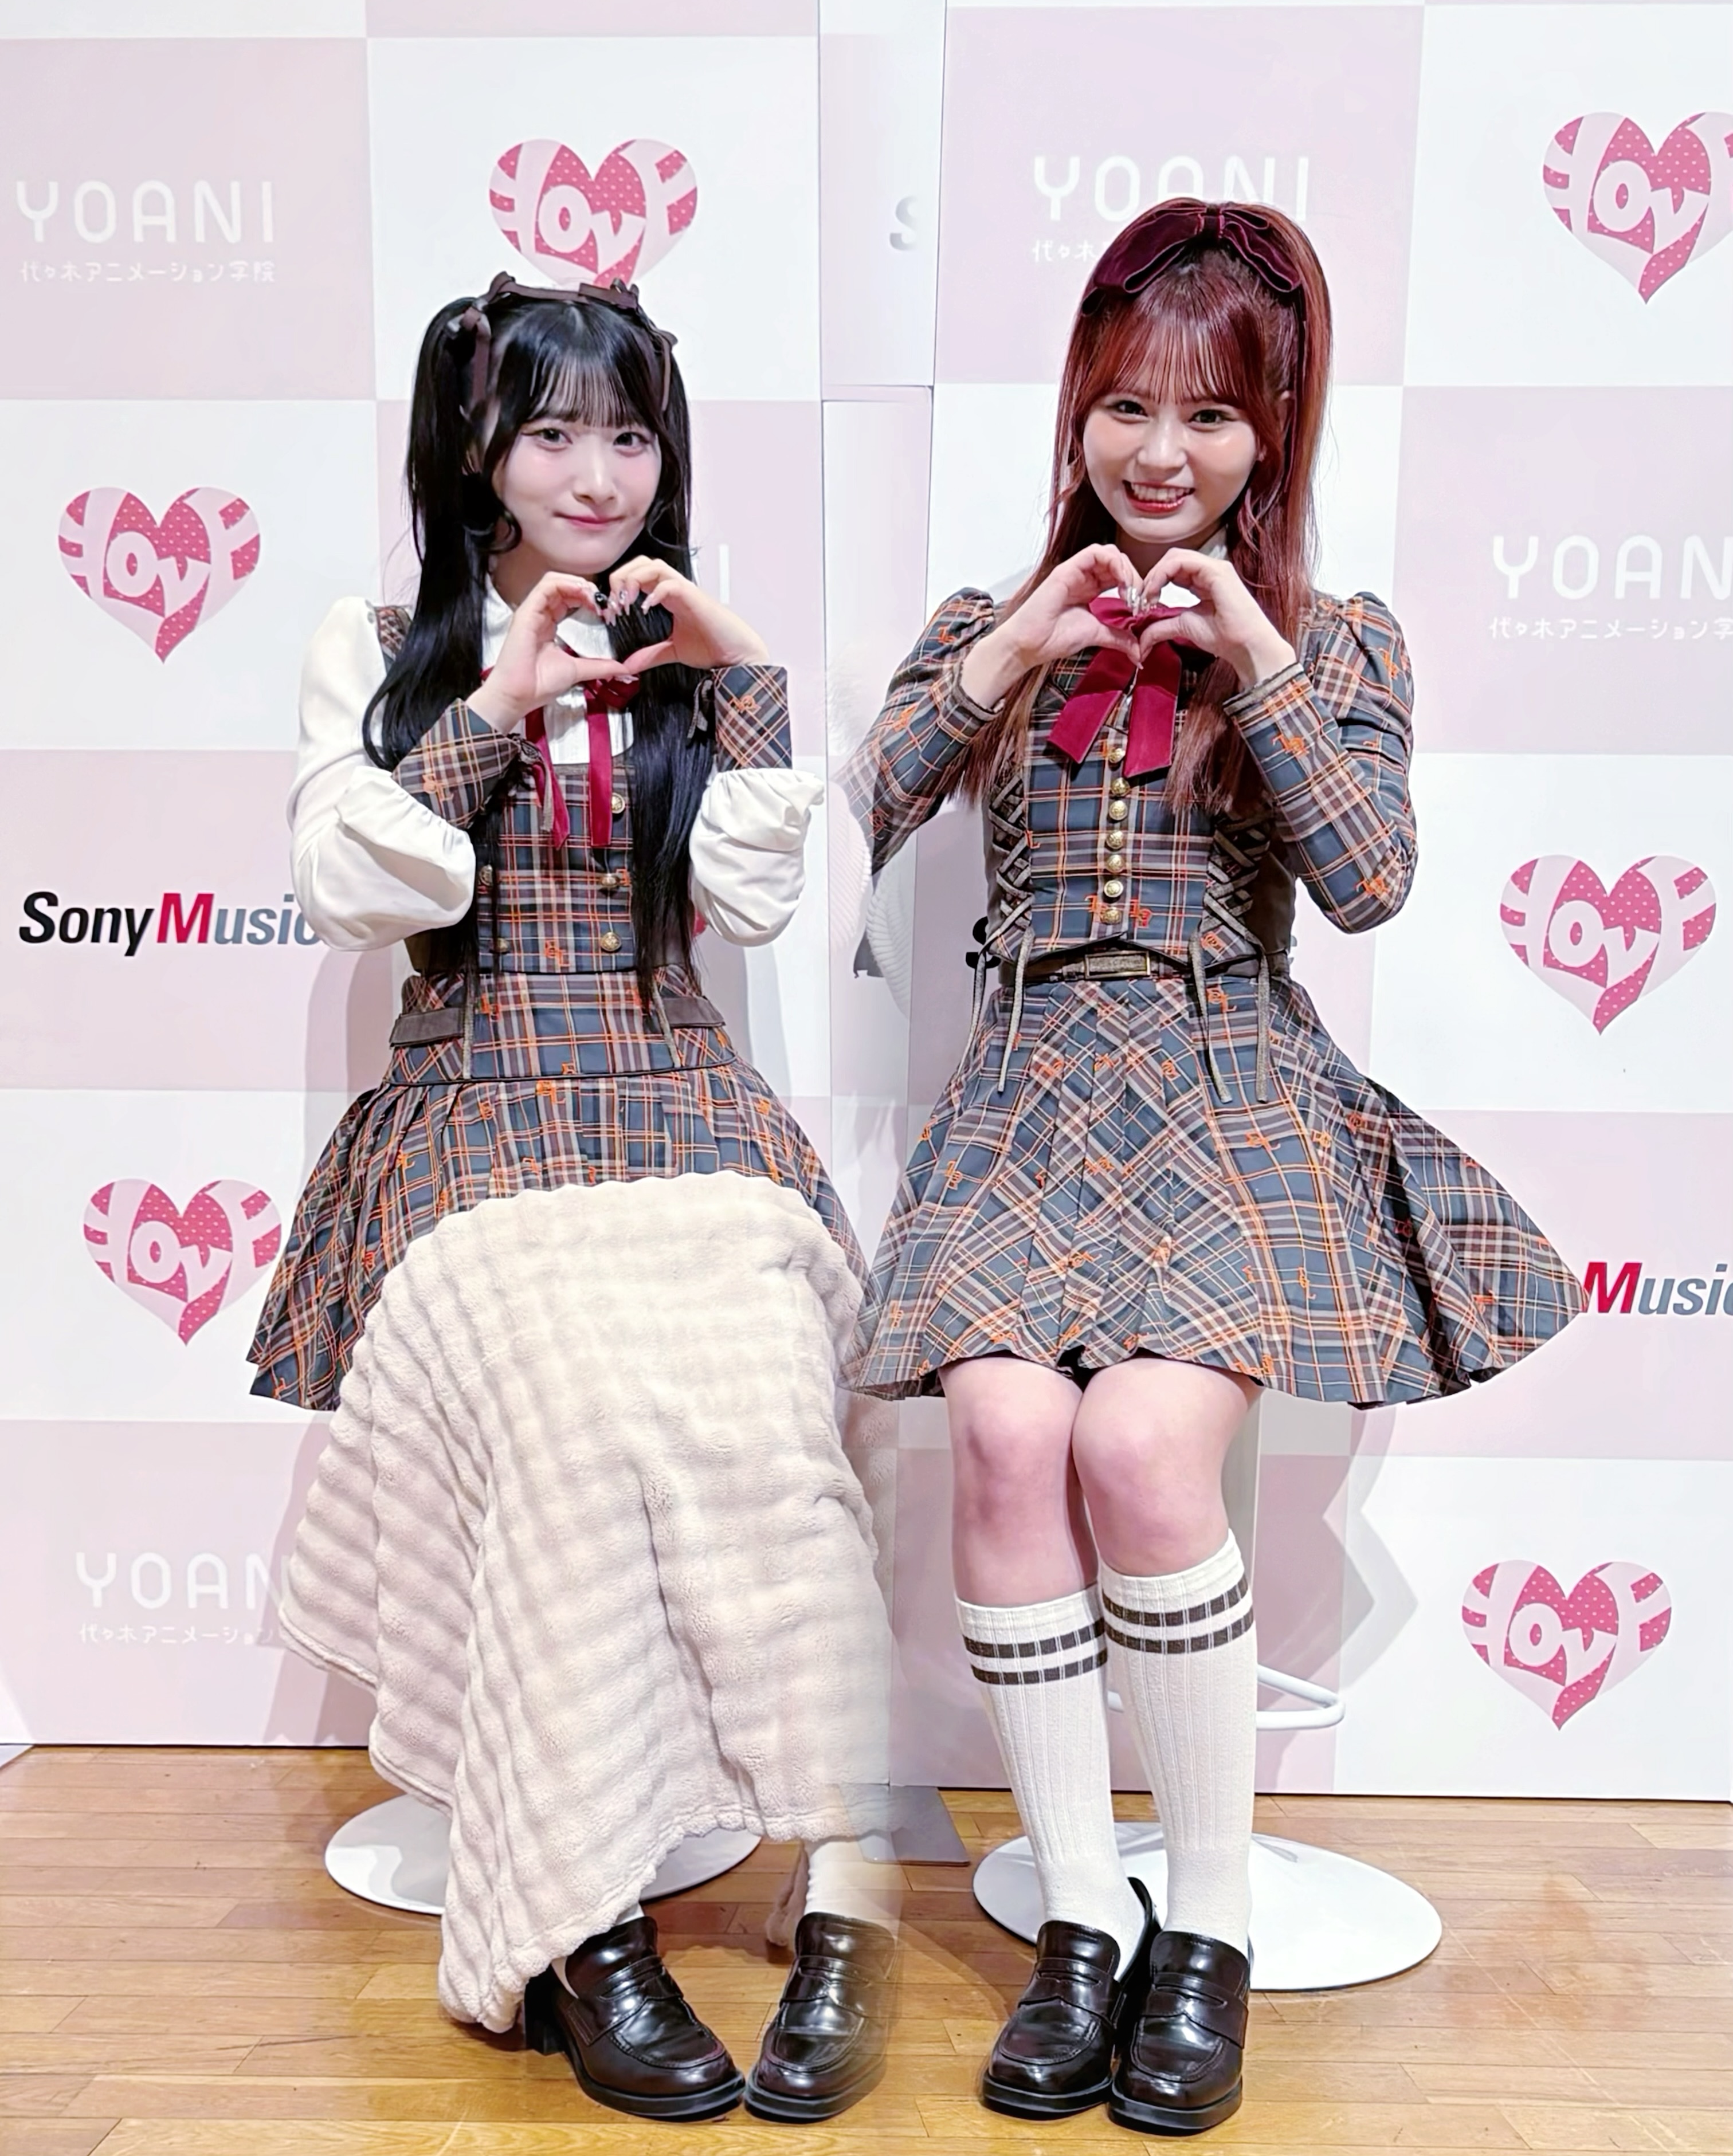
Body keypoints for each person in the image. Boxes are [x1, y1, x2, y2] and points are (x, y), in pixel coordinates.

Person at [842, 202, 1582, 2135]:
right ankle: (1087, 1924)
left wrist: (1252, 655)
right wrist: (1015, 646)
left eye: (1211, 415)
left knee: (1143, 1451)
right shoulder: (989, 624)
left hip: (1224, 1076)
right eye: (1125, 406)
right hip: (1025, 1081)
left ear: (1276, 431)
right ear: (1077, 410)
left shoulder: (1339, 638)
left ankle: (1212, 1927)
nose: (1160, 451)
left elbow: (1371, 878)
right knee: (1005, 1433)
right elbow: (870, 798)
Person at [251, 273, 897, 2126]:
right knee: (564, 1403)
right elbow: (356, 884)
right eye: (553, 433)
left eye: (630, 436)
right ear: (477, 450)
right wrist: (496, 702)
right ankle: (587, 1926)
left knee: (773, 1405)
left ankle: (846, 1888)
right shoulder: (382, 642)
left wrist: (743, 677)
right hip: (472, 1103)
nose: (599, 474)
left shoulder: (683, 649)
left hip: (677, 1092)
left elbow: (753, 902)